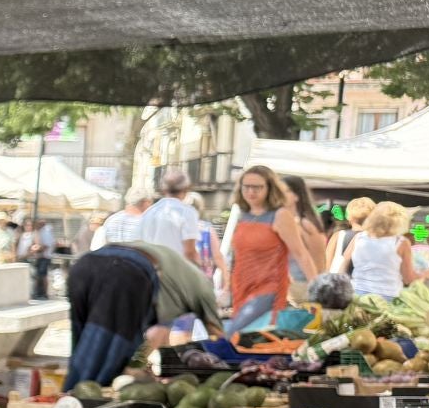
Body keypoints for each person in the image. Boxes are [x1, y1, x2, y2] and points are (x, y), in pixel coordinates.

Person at [64, 241, 225, 390]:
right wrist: (135, 366)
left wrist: (136, 365)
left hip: (86, 264)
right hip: (125, 272)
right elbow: (217, 336)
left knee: (82, 345)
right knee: (103, 355)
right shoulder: (203, 290)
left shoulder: (178, 275)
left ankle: (66, 402)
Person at [223, 165, 319, 336]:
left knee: (232, 334)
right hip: (241, 289)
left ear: (269, 188)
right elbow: (238, 256)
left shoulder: (280, 215)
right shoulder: (244, 214)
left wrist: (317, 289)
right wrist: (226, 286)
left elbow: (301, 254)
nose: (251, 192)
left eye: (257, 187)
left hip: (268, 288)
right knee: (248, 341)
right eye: (246, 186)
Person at [337, 199, 416, 299]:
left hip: (358, 294)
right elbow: (408, 279)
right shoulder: (401, 242)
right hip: (388, 296)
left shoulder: (359, 237)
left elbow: (344, 264)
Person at [280, 174, 330, 303]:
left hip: (302, 290)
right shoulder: (289, 222)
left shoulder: (305, 224)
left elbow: (318, 261)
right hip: (290, 290)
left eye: (284, 191)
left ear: (296, 196)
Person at [138, 169, 200, 263]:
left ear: (164, 189)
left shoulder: (149, 212)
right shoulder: (187, 213)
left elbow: (141, 245)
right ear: (186, 189)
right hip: (176, 271)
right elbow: (189, 252)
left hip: (151, 269)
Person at [328, 196, 375, 269]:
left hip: (340, 279)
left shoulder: (339, 236)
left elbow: (327, 262)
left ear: (349, 216)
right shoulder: (377, 238)